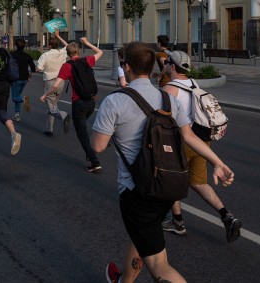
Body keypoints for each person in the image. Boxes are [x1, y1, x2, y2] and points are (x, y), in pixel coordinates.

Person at [90, 41, 236, 283]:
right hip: (166, 187)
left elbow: (98, 146)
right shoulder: (168, 99)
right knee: (143, 238)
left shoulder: (114, 101)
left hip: (137, 191)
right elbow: (189, 136)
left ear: (126, 67)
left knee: (159, 264)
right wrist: (217, 163)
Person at [161, 50, 242, 242]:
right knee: (199, 182)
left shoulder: (169, 90)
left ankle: (177, 221)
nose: (163, 63)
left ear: (172, 66)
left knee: (170, 181)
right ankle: (226, 215)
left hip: (182, 141)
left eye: (166, 62)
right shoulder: (193, 84)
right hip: (201, 142)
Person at [41, 37, 103, 172]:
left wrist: (45, 95)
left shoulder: (67, 66)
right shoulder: (87, 60)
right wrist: (87, 43)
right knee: (82, 126)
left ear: (68, 54)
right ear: (78, 52)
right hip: (91, 102)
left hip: (79, 103)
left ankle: (94, 162)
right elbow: (100, 52)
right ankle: (92, 150)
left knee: (82, 134)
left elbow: (55, 85)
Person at [36, 30, 70, 137]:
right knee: (53, 105)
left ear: (49, 45)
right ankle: (49, 129)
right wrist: (58, 36)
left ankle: (64, 115)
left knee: (51, 107)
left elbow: (38, 68)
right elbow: (68, 46)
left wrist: (40, 68)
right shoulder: (62, 53)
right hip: (61, 82)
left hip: (50, 82)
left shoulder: (45, 55)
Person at [10, 37, 36, 121]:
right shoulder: (27, 56)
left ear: (15, 45)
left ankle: (23, 99)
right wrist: (29, 77)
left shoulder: (11, 55)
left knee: (15, 97)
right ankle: (17, 115)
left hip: (15, 79)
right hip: (24, 79)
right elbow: (33, 69)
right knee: (17, 95)